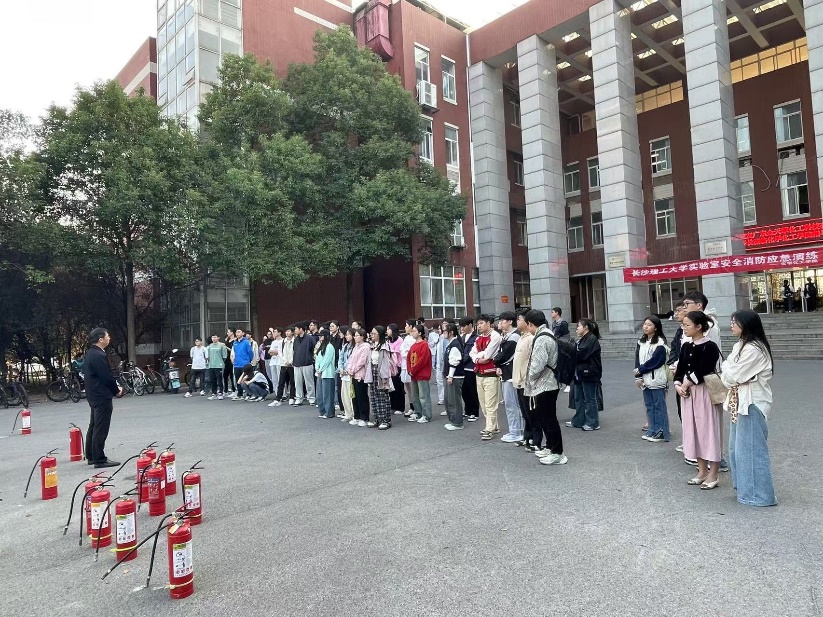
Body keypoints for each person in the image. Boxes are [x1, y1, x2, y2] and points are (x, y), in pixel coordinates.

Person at [722, 310, 776, 506]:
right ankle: (745, 489)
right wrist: (729, 371)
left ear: (746, 324)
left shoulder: (754, 349)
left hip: (751, 402)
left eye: (735, 322)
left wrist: (729, 371)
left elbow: (732, 375)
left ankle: (759, 496)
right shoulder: (740, 345)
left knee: (751, 450)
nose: (731, 325)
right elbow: (728, 370)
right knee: (737, 449)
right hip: (739, 401)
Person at [674, 311, 723, 490]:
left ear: (699, 327)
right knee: (693, 430)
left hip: (704, 392)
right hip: (688, 395)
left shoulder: (710, 346)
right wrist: (678, 385)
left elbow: (704, 369)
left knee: (709, 431)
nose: (684, 328)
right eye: (684, 325)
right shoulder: (686, 346)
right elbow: (680, 369)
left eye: (687, 325)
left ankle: (714, 473)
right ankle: (701, 470)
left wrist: (686, 383)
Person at [524, 310, 567, 465]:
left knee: (549, 419)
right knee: (545, 417)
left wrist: (529, 377)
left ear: (530, 324)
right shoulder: (547, 333)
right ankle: (550, 447)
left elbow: (537, 365)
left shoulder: (542, 338)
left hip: (545, 384)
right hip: (548, 383)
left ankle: (557, 453)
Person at [83, 328, 122, 468]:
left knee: (94, 425)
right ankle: (99, 459)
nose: (109, 338)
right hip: (101, 395)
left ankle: (91, 455)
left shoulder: (91, 353)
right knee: (101, 427)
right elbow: (106, 377)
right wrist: (116, 390)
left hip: (94, 394)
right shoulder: (98, 355)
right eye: (107, 336)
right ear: (100, 339)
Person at [634, 316, 670, 443]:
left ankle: (662, 431)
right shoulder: (641, 341)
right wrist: (638, 376)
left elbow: (657, 361)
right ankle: (652, 429)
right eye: (645, 324)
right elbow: (637, 360)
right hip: (645, 378)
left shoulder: (660, 342)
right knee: (649, 405)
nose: (645, 327)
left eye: (649, 324)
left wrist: (641, 369)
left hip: (657, 379)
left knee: (659, 406)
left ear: (656, 327)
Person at [470, 314, 502, 441]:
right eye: (477, 324)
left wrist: (477, 356)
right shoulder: (478, 338)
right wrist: (478, 358)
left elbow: (488, 354)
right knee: (483, 404)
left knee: (490, 403)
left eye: (481, 323)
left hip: (491, 373)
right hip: (479, 373)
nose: (479, 326)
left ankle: (489, 428)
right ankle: (494, 426)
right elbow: (471, 353)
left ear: (489, 323)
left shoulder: (495, 336)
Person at [568, 319, 602, 431]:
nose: (577, 329)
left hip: (589, 373)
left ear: (586, 327)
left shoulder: (591, 339)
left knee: (589, 399)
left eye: (578, 326)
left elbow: (581, 354)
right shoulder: (583, 339)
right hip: (580, 372)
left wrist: (571, 350)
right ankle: (579, 420)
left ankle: (593, 423)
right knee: (578, 398)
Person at [494, 311, 522, 443]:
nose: (500, 324)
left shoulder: (514, 337)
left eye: (502, 321)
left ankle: (516, 432)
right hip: (508, 373)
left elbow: (502, 356)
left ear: (510, 322)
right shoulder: (508, 336)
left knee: (512, 405)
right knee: (513, 404)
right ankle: (516, 430)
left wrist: (496, 362)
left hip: (511, 375)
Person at [512, 311, 537, 450]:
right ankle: (527, 436)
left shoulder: (530, 338)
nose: (517, 321)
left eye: (520, 319)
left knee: (530, 412)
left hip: (526, 381)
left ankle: (534, 438)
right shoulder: (522, 337)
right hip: (518, 380)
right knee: (524, 412)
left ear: (527, 322)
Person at [365, 326, 395, 430]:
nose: (372, 335)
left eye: (374, 334)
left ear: (379, 335)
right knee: (373, 396)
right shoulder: (372, 345)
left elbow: (386, 363)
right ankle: (377, 418)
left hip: (381, 373)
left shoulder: (384, 346)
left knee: (382, 397)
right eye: (371, 333)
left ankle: (385, 420)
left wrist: (385, 379)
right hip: (372, 371)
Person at [408, 324, 433, 423]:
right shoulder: (413, 345)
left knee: (423, 396)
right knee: (415, 396)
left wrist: (413, 370)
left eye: (414, 331)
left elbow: (423, 360)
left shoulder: (424, 345)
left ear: (419, 333)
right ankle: (419, 413)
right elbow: (409, 359)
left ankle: (426, 415)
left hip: (422, 374)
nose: (412, 333)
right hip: (414, 374)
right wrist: (410, 370)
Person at [346, 328, 371, 427]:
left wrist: (353, 370)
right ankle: (356, 416)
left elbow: (362, 361)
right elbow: (351, 359)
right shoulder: (356, 347)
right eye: (355, 335)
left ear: (362, 337)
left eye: (357, 336)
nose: (355, 337)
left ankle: (364, 417)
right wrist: (349, 369)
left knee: (362, 396)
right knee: (354, 396)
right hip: (353, 374)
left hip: (361, 375)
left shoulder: (366, 347)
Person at [442, 323, 465, 431]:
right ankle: (453, 420)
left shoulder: (455, 345)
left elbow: (454, 362)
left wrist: (450, 376)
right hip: (451, 375)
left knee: (454, 400)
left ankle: (457, 422)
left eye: (445, 331)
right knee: (449, 399)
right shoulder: (451, 343)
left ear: (451, 332)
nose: (443, 333)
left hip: (455, 376)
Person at [458, 317, 480, 422]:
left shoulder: (476, 337)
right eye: (461, 326)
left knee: (472, 391)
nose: (462, 328)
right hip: (462, 368)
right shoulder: (461, 337)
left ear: (470, 325)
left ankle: (474, 412)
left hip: (471, 367)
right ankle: (467, 410)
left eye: (464, 326)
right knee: (464, 391)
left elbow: (471, 353)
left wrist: (461, 361)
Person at [314, 330, 337, 419]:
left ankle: (329, 412)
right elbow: (317, 359)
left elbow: (327, 360)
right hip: (320, 373)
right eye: (319, 335)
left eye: (321, 335)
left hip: (327, 373)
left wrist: (320, 370)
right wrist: (317, 368)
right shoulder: (320, 346)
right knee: (320, 394)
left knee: (327, 394)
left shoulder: (330, 347)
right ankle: (322, 410)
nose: (320, 337)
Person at [292, 322, 317, 406]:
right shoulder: (296, 339)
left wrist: (311, 358)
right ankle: (299, 398)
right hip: (297, 363)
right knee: (298, 383)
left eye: (296, 329)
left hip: (307, 363)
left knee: (309, 382)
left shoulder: (310, 338)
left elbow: (314, 349)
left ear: (301, 329)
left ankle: (311, 398)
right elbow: (294, 350)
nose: (295, 331)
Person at [386, 324, 405, 415]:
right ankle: (393, 406)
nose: (387, 331)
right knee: (391, 386)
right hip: (390, 366)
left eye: (388, 329)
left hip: (398, 366)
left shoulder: (400, 340)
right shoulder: (388, 340)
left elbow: (397, 352)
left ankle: (400, 407)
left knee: (398, 387)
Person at [229, 328, 253, 400]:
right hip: (237, 364)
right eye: (236, 332)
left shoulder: (246, 342)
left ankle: (249, 394)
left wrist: (248, 361)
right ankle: (240, 394)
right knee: (238, 380)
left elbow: (250, 352)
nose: (237, 334)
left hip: (245, 363)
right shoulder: (235, 342)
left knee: (246, 379)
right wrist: (233, 359)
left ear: (243, 333)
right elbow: (233, 352)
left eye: (239, 332)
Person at [399, 319, 417, 417]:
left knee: (413, 388)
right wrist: (405, 352)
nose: (405, 327)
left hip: (411, 365)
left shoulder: (414, 339)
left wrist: (406, 352)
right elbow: (402, 349)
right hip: (404, 365)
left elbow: (411, 352)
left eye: (406, 325)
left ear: (411, 326)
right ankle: (411, 407)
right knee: (408, 388)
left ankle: (416, 408)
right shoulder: (406, 338)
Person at [338, 328, 355, 423]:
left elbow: (353, 361)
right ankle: (348, 413)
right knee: (344, 395)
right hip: (343, 374)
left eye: (349, 334)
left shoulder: (355, 347)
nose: (346, 336)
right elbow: (340, 359)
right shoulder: (345, 346)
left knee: (351, 395)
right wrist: (341, 369)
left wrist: (347, 370)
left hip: (351, 374)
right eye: (346, 334)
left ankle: (354, 414)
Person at [206, 334, 227, 400]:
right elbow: (208, 356)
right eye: (213, 337)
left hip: (219, 365)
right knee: (212, 380)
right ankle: (214, 393)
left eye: (215, 337)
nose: (214, 338)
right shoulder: (210, 346)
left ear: (218, 338)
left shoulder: (222, 345)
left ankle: (221, 393)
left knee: (220, 380)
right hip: (211, 365)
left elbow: (224, 356)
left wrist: (220, 362)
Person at [266, 328, 283, 407]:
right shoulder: (273, 342)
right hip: (273, 362)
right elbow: (270, 352)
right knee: (274, 379)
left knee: (280, 379)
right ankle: (277, 394)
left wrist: (276, 352)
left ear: (279, 333)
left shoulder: (283, 341)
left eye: (275, 332)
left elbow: (281, 352)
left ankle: (283, 394)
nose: (274, 333)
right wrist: (275, 352)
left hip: (280, 362)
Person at [223, 329, 236, 394]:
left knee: (232, 375)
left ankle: (234, 389)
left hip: (232, 358)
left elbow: (234, 350)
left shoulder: (235, 341)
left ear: (232, 332)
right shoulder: (227, 340)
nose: (227, 333)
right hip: (226, 359)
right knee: (225, 375)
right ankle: (225, 389)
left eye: (228, 332)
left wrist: (226, 347)